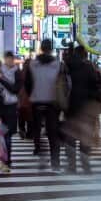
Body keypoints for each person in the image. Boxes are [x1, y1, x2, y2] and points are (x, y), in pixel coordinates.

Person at [24, 38, 65, 172]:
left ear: (41, 48)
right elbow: (63, 84)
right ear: (51, 49)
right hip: (52, 101)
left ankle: (39, 151)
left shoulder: (33, 64)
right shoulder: (58, 64)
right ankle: (56, 163)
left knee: (37, 129)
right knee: (53, 133)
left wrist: (32, 95)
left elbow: (28, 83)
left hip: (36, 100)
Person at [62, 44, 101, 174]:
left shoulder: (67, 66)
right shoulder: (90, 68)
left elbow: (62, 86)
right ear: (85, 55)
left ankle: (72, 166)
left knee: (70, 138)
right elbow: (97, 86)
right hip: (86, 107)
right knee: (85, 138)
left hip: (71, 106)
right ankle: (86, 166)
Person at [0, 51, 22, 171]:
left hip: (11, 106)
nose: (9, 61)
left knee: (7, 136)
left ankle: (7, 160)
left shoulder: (17, 72)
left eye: (11, 59)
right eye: (7, 59)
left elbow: (15, 89)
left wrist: (2, 80)